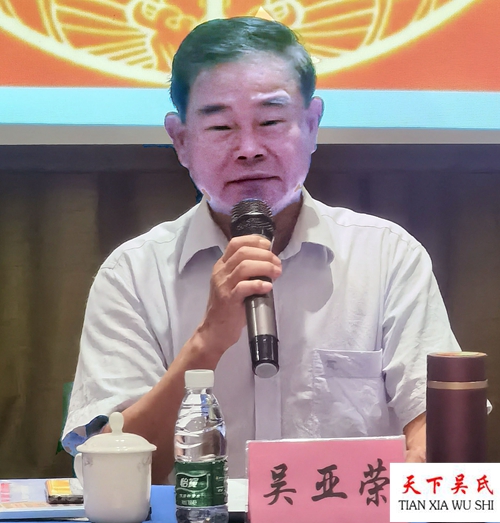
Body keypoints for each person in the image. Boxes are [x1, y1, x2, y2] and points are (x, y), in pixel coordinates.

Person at [62, 17, 461, 484]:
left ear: (311, 124)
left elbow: (438, 424)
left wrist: (423, 473)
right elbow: (111, 474)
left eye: (271, 121)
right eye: (221, 126)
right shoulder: (133, 273)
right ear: (181, 140)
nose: (249, 149)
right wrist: (207, 341)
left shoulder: (388, 257)